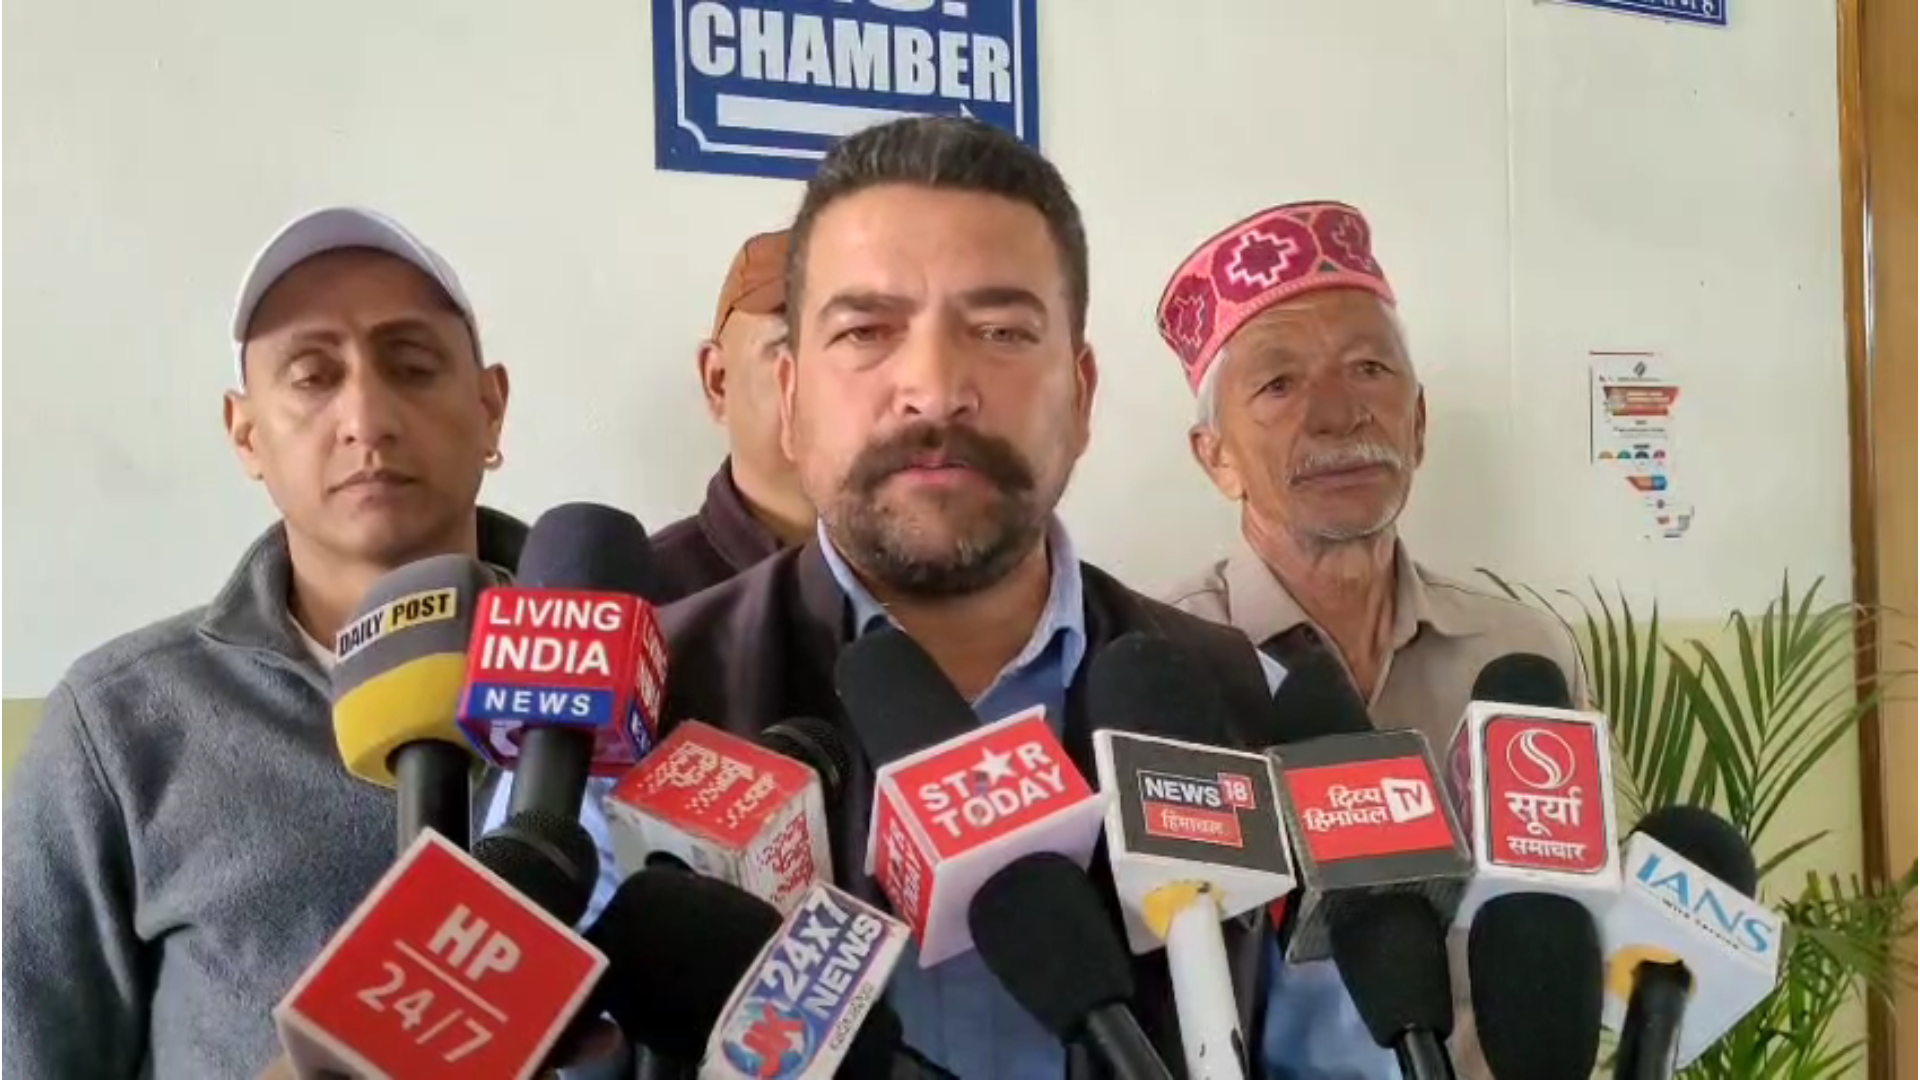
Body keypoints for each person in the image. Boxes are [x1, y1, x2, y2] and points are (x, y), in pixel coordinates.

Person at [652, 118, 1380, 1079]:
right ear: (787, 398)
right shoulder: (640, 717)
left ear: (1080, 396)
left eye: (1000, 332)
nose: (935, 389)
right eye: (866, 332)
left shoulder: (1251, 707)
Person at [0, 207, 522, 1079]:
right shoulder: (118, 723)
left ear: (490, 408)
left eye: (411, 366)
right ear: (247, 434)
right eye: (314, 376)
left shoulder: (635, 676)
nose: (367, 417)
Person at [1155, 200, 1589, 1076]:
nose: (1339, 414)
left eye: (1368, 369)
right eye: (1279, 385)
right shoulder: (1160, 664)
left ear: (1418, 424)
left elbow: (1571, 926)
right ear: (1216, 457)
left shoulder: (1520, 656)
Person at [651, 228, 814, 601]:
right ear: (718, 381)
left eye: (860, 337)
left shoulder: (939, 586)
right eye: (789, 345)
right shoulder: (644, 603)